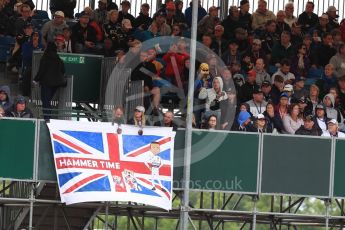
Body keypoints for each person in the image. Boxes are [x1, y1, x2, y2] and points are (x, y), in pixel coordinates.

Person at [34, 42, 66, 120]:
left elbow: (41, 71)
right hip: (56, 84)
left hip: (46, 83)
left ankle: (47, 119)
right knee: (47, 101)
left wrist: (35, 79)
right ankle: (48, 117)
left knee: (45, 101)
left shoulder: (45, 58)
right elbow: (63, 70)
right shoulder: (58, 59)